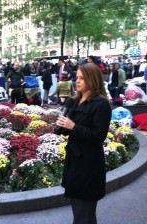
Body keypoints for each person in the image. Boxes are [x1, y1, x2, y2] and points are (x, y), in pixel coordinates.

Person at [56, 62, 112, 224]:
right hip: (74, 162)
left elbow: (98, 136)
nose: (77, 81)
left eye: (82, 78)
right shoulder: (76, 100)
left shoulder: (101, 105)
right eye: (76, 78)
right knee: (78, 208)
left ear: (92, 80)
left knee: (84, 213)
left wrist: (73, 126)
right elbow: (72, 128)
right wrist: (63, 127)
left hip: (89, 165)